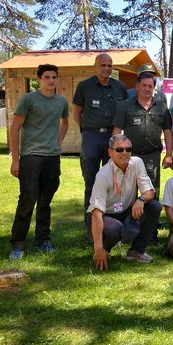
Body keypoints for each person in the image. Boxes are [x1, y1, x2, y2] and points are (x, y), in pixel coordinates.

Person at [8, 64, 69, 259]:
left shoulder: (61, 102)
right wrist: (15, 160)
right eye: (47, 77)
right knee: (28, 198)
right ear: (39, 79)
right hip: (31, 156)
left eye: (54, 77)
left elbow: (65, 123)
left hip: (52, 157)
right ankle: (17, 244)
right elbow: (15, 128)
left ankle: (43, 241)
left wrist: (58, 142)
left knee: (45, 201)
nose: (51, 80)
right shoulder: (28, 99)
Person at [72, 53, 128, 239]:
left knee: (114, 181)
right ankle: (91, 227)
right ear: (95, 67)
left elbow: (124, 112)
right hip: (92, 137)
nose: (106, 68)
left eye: (109, 65)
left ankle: (112, 226)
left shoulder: (119, 87)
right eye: (103, 65)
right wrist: (86, 130)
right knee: (91, 181)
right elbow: (77, 112)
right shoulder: (84, 86)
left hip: (112, 138)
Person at [88, 134, 162, 269]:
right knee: (115, 229)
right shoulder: (103, 175)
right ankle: (102, 250)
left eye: (128, 149)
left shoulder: (137, 163)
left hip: (127, 209)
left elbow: (150, 192)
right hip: (106, 215)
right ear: (110, 152)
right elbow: (96, 213)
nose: (125, 153)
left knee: (154, 206)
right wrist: (98, 248)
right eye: (119, 150)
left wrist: (141, 199)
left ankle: (136, 251)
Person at [112, 71, 173, 198]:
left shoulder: (162, 107)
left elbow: (168, 132)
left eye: (150, 86)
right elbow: (117, 131)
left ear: (154, 88)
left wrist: (169, 154)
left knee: (152, 191)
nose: (147, 89)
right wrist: (115, 153)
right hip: (129, 155)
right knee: (128, 192)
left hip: (152, 157)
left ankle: (150, 212)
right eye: (144, 85)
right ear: (137, 86)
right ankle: (131, 211)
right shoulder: (125, 106)